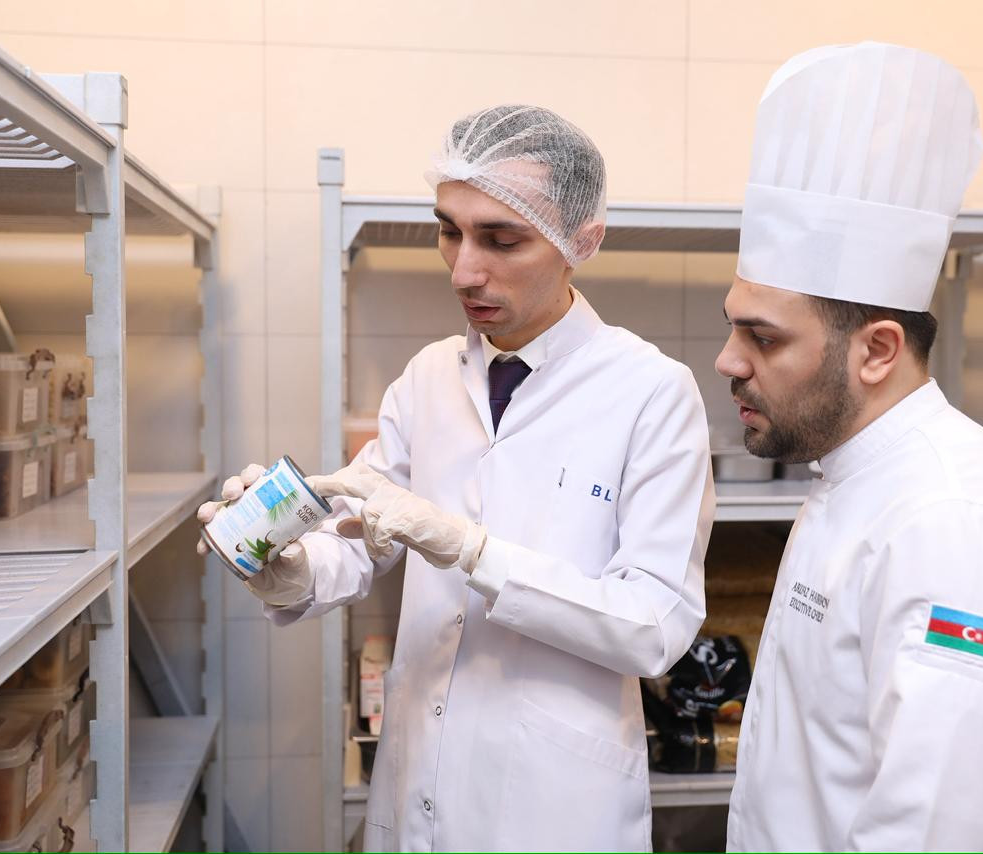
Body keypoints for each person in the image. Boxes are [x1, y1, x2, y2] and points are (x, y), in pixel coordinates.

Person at [199, 104, 714, 851]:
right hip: (417, 776)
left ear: (582, 241)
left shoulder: (651, 392)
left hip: (555, 804)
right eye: (449, 231)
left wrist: (474, 552)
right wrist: (291, 568)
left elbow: (654, 626)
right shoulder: (429, 376)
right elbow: (359, 535)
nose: (465, 270)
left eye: (502, 239)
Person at [718, 44, 983, 851]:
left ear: (878, 351)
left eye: (763, 337)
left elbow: (929, 832)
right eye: (733, 328)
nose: (729, 361)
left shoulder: (959, 528)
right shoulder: (855, 479)